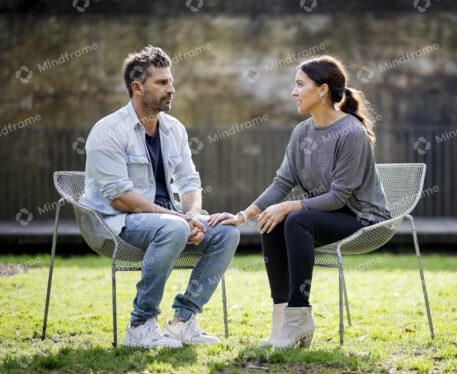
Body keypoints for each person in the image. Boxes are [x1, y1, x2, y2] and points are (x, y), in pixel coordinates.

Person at [208, 55, 391, 348]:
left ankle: (299, 319)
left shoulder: (350, 132)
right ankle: (282, 324)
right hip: (325, 215)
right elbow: (282, 182)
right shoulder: (302, 132)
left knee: (295, 217)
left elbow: (339, 196)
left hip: (362, 218)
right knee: (272, 222)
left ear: (322, 90)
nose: (293, 92)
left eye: (299, 84)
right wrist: (244, 216)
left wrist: (290, 206)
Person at [80, 46, 240, 348]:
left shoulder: (173, 129)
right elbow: (119, 198)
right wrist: (177, 219)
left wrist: (192, 213)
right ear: (137, 87)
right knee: (174, 227)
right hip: (118, 223)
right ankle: (140, 325)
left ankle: (183, 320)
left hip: (170, 220)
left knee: (227, 231)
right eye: (162, 83)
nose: (171, 89)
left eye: (171, 81)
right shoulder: (108, 131)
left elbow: (190, 180)